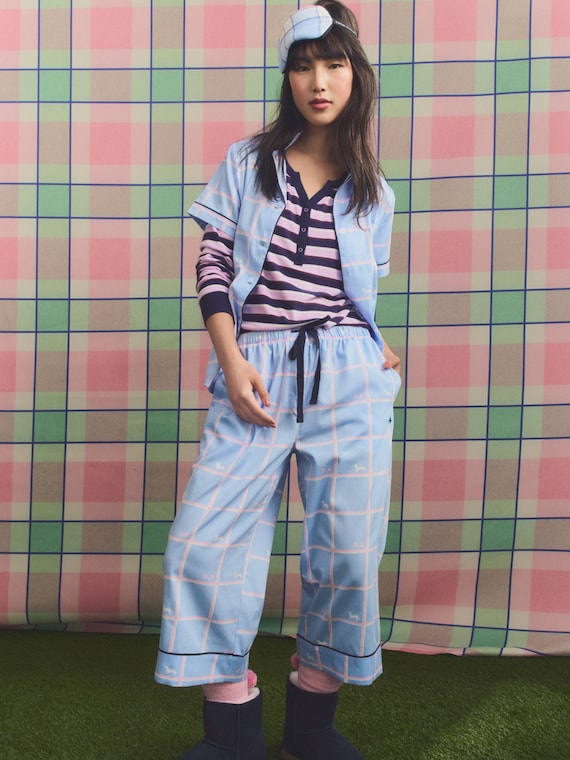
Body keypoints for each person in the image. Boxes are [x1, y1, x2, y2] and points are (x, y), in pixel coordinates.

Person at [155, 2, 401, 758]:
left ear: (356, 76)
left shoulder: (375, 192)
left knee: (348, 553)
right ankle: (232, 729)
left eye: (333, 64)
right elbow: (213, 262)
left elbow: (351, 293)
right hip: (255, 367)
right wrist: (231, 361)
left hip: (349, 374)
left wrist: (376, 348)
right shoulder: (247, 162)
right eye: (302, 66)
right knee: (205, 543)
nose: (317, 81)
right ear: (288, 78)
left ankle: (311, 725)